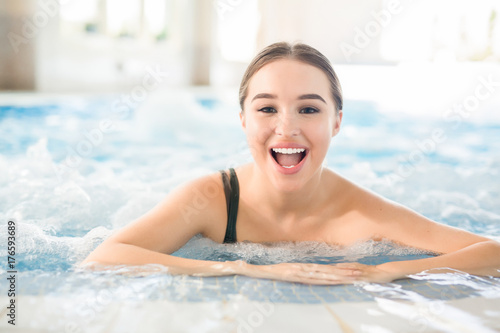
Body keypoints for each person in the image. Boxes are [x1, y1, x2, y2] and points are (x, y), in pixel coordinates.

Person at [82, 42, 500, 284]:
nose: (286, 129)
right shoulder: (212, 199)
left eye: (308, 110)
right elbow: (104, 256)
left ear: (336, 122)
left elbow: (492, 253)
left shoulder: (361, 213)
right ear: (243, 119)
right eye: (267, 109)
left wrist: (388, 272)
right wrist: (240, 269)